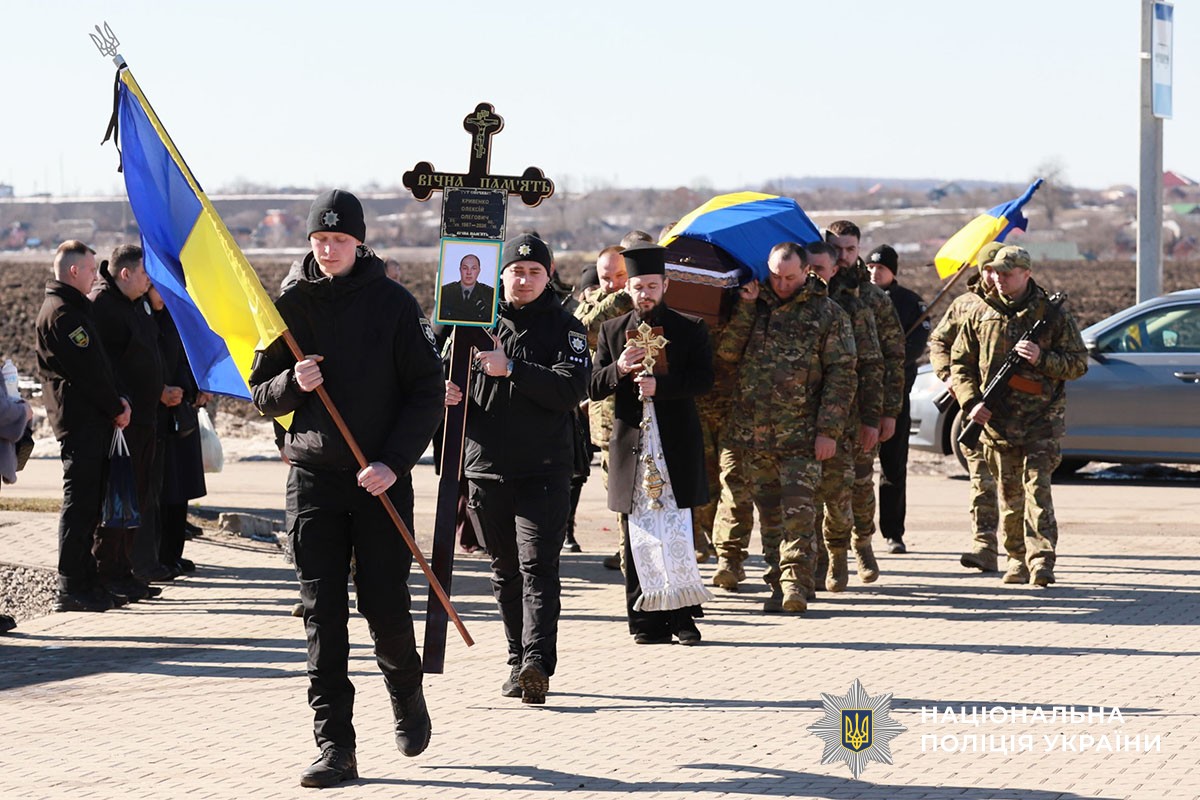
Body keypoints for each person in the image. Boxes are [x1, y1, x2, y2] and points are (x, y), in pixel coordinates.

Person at [249, 189, 445, 788]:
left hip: (378, 482)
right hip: (312, 481)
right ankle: (335, 745)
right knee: (321, 615)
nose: (328, 249)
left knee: (385, 607)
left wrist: (393, 461)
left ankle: (406, 694)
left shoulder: (392, 303)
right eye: (319, 239)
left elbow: (426, 392)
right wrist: (291, 382)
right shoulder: (288, 305)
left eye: (339, 239)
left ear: (359, 241)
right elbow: (260, 395)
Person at [445, 232, 590, 705]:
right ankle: (515, 660)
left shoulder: (566, 328)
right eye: (516, 271)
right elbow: (433, 375)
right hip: (485, 467)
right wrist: (442, 394)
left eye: (534, 272)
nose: (524, 280)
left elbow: (571, 390)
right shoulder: (469, 322)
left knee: (538, 566)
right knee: (505, 568)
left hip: (544, 469)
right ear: (500, 275)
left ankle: (536, 661)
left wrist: (514, 370)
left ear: (548, 276)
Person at [715, 242, 856, 613]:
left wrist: (829, 430)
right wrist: (746, 308)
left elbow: (842, 377)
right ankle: (778, 584)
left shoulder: (827, 314)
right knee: (771, 516)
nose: (780, 284)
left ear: (807, 271)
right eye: (775, 275)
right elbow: (728, 355)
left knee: (799, 511)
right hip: (752, 434)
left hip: (802, 435)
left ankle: (796, 584)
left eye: (789, 277)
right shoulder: (752, 306)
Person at [589, 243, 714, 644]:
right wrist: (619, 368)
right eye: (638, 287)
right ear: (629, 289)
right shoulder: (611, 331)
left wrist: (663, 385)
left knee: (676, 530)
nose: (645, 294)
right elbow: (592, 386)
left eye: (652, 286)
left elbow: (704, 381)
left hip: (673, 444)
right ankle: (643, 622)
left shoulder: (689, 328)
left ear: (666, 285)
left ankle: (682, 618)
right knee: (637, 534)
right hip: (633, 446)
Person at [950, 245, 1087, 587]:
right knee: (1010, 497)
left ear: (1026, 274)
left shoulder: (1051, 316)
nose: (998, 279)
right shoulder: (980, 312)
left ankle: (1041, 559)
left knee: (1037, 490)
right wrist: (971, 403)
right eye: (994, 272)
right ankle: (1015, 558)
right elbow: (960, 364)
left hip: (1041, 421)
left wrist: (1042, 358)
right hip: (997, 425)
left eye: (1007, 273)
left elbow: (1078, 364)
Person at [35, 240, 132, 612]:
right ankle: (72, 584)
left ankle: (88, 580)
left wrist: (120, 399)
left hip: (95, 419)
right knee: (80, 505)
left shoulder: (77, 309)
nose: (96, 276)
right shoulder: (63, 315)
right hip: (81, 422)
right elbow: (88, 373)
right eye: (92, 270)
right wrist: (115, 405)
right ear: (74, 271)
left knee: (91, 505)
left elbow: (101, 364)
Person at [90, 245, 168, 596]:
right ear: (125, 273)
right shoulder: (103, 307)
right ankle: (109, 572)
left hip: (145, 418)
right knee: (117, 498)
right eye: (145, 274)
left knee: (137, 496)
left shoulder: (136, 304)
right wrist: (118, 404)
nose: (149, 282)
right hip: (121, 421)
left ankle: (126, 570)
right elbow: (100, 366)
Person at [805, 241, 883, 592]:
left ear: (833, 269)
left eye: (818, 269)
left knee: (843, 492)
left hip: (845, 419)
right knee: (808, 496)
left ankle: (846, 550)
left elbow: (872, 365)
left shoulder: (850, 308)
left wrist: (875, 417)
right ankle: (819, 557)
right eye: (806, 269)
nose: (811, 276)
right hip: (799, 420)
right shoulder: (783, 307)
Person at [826, 221, 906, 556]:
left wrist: (888, 412)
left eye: (850, 249)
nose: (843, 257)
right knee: (820, 487)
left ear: (859, 249)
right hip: (822, 408)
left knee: (860, 483)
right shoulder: (814, 292)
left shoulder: (873, 298)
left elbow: (894, 357)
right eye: (836, 249)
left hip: (863, 407)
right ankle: (828, 556)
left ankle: (863, 544)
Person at [929, 241, 1004, 572]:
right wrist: (948, 376)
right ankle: (984, 545)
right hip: (974, 407)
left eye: (998, 269)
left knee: (1020, 486)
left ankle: (1029, 552)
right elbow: (939, 342)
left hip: (1016, 411)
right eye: (986, 268)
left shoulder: (1023, 306)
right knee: (982, 481)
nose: (992, 275)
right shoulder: (965, 305)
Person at [867, 244, 930, 556]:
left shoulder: (910, 302)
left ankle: (893, 532)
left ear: (893, 271)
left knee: (894, 467)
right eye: (871, 267)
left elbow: (915, 347)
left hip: (896, 395)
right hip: (862, 395)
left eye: (881, 268)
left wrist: (886, 358)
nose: (874, 272)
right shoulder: (858, 298)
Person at [573, 244, 632, 557]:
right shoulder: (594, 303)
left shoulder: (639, 299)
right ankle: (626, 548)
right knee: (616, 487)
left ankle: (633, 549)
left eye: (621, 275)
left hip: (643, 409)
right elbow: (582, 332)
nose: (614, 283)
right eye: (606, 277)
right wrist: (617, 298)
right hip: (608, 413)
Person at [148, 287, 208, 575]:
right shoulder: (146, 318)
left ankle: (172, 553)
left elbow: (187, 357)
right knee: (163, 490)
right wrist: (159, 391)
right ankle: (159, 556)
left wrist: (198, 389)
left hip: (181, 409)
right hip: (159, 412)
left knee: (180, 487)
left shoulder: (174, 316)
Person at [438, 253, 496, 323]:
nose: (469, 272)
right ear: (460, 270)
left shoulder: (490, 294)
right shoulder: (444, 292)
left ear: (479, 271)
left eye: (473, 268)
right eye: (465, 268)